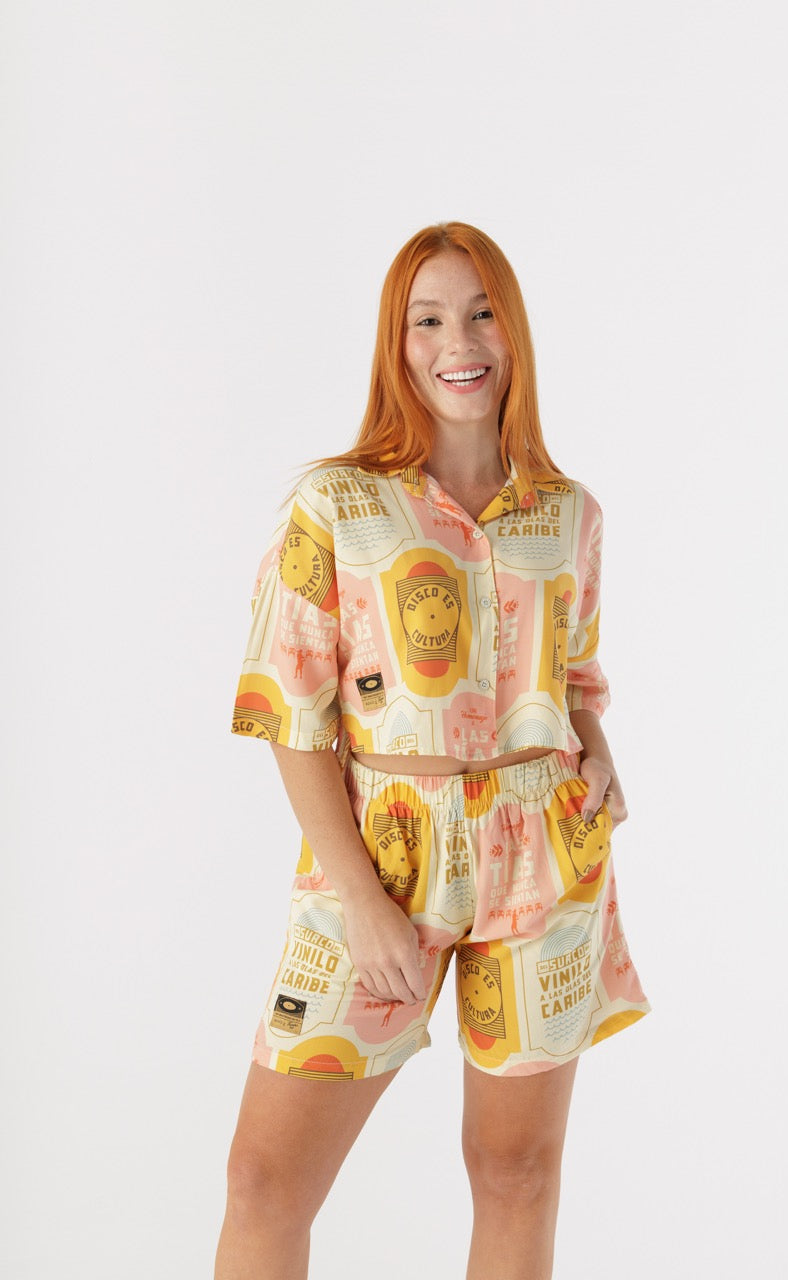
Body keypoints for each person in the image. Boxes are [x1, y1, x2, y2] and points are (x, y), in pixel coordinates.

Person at [214, 222, 650, 1280]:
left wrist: (596, 752)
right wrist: (362, 900)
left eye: (482, 312)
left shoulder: (568, 515)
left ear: (513, 332)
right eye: (429, 318)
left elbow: (573, 679)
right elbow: (290, 712)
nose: (460, 341)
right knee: (267, 1181)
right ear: (396, 343)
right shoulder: (338, 503)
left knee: (516, 1173)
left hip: (545, 852)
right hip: (383, 851)